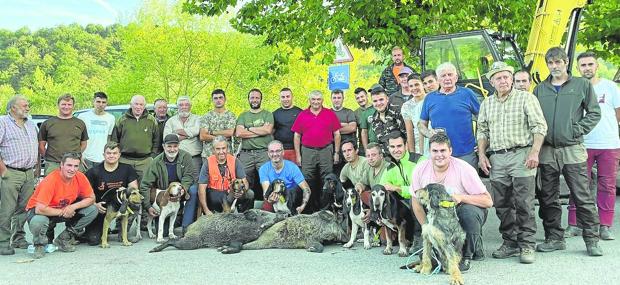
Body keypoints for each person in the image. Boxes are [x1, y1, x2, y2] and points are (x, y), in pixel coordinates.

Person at [533, 47, 602, 256]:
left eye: (558, 62)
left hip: (573, 148)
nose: (555, 66)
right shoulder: (539, 89)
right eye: (551, 63)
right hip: (546, 150)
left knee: (582, 194)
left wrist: (576, 129)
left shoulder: (581, 85)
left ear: (566, 62)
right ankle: (554, 238)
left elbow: (594, 113)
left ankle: (591, 240)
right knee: (548, 196)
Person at [477, 62, 548, 264]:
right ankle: (510, 242)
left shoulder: (526, 98)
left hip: (521, 155)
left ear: (512, 78)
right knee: (501, 203)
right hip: (497, 157)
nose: (504, 80)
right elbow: (482, 131)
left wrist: (534, 152)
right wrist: (482, 155)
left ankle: (526, 244)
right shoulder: (487, 103)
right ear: (492, 82)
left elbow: (539, 126)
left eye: (507, 76)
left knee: (524, 202)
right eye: (498, 77)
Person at [411, 133, 493, 271]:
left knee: (469, 212)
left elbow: (488, 201)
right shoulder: (420, 169)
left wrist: (462, 197)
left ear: (450, 151)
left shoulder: (464, 168)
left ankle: (466, 255)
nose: (439, 155)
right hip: (435, 216)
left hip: (460, 214)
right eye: (435, 151)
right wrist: (427, 227)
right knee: (414, 199)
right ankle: (437, 250)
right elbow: (415, 201)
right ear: (429, 152)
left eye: (443, 150)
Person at [565, 51, 620, 241]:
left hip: (609, 143)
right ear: (578, 68)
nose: (587, 68)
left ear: (596, 66)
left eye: (590, 64)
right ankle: (574, 224)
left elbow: (618, 114)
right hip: (582, 144)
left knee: (607, 186)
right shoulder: (574, 87)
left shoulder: (611, 87)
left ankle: (604, 225)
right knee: (578, 185)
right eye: (583, 65)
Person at [26, 152, 97, 259]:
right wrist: (63, 212)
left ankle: (64, 239)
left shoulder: (80, 177)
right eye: (69, 165)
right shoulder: (51, 180)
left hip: (62, 209)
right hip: (41, 211)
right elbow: (39, 209)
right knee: (38, 221)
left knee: (92, 210)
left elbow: (92, 198)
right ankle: (39, 244)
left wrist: (72, 207)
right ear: (61, 165)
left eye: (76, 166)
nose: (72, 169)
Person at [418, 62, 480, 169]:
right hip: (440, 154)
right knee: (443, 185)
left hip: (466, 152)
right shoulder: (430, 98)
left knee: (468, 184)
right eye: (443, 75)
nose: (447, 78)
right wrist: (430, 135)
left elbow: (482, 119)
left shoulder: (467, 93)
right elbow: (421, 125)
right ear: (438, 79)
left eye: (450, 75)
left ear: (456, 77)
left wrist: (480, 142)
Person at [0, 95, 39, 255]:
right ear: (13, 108)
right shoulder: (3, 123)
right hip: (11, 172)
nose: (27, 108)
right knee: (7, 209)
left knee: (24, 208)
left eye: (28, 105)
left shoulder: (30, 124)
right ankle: (3, 242)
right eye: (24, 105)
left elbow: (35, 146)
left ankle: (18, 238)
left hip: (28, 173)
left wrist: (36, 168)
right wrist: (3, 170)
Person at [184, 136, 253, 225]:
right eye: (218, 149)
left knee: (250, 194)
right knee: (221, 196)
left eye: (223, 148)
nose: (221, 152)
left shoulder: (235, 161)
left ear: (227, 149)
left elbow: (245, 182)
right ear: (213, 150)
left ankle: (245, 222)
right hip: (214, 196)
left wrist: (242, 191)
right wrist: (206, 210)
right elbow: (201, 188)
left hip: (230, 194)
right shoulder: (208, 162)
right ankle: (227, 221)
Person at [292, 90, 341, 212]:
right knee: (308, 179)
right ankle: (308, 209)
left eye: (318, 99)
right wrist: (298, 155)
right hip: (308, 151)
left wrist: (336, 153)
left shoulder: (329, 114)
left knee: (327, 179)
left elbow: (337, 134)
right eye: (313, 99)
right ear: (309, 100)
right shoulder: (303, 114)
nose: (316, 102)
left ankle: (326, 208)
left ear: (322, 100)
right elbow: (297, 136)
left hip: (326, 150)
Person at [84, 142, 138, 246]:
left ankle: (121, 230)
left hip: (121, 206)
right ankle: (87, 231)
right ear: (103, 154)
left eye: (114, 153)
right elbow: (84, 193)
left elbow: (134, 189)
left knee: (136, 202)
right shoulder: (93, 171)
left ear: (119, 155)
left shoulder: (127, 169)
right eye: (108, 153)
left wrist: (126, 190)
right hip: (101, 208)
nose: (112, 155)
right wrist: (94, 205)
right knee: (93, 240)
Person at [380, 132, 426, 250]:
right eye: (392, 147)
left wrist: (398, 188)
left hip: (422, 201)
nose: (396, 150)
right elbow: (381, 188)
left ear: (406, 145)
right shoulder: (390, 167)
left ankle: (419, 238)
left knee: (414, 199)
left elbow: (422, 189)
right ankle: (404, 237)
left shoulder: (419, 160)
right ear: (388, 148)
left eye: (399, 146)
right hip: (403, 207)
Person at [141, 134, 195, 232]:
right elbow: (145, 184)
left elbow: (189, 176)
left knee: (194, 190)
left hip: (181, 193)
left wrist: (183, 190)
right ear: (163, 146)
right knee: (163, 232)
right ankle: (175, 217)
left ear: (179, 146)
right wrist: (148, 206)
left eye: (175, 146)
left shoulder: (186, 157)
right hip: (165, 198)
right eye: (169, 146)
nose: (172, 149)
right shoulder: (156, 161)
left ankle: (186, 225)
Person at [235, 88, 274, 199]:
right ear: (248, 99)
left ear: (261, 99)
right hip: (246, 154)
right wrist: (260, 130)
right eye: (252, 97)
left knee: (267, 180)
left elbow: (268, 130)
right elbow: (238, 133)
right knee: (243, 182)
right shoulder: (243, 115)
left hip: (264, 153)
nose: (254, 100)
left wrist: (249, 128)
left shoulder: (267, 114)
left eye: (257, 97)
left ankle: (268, 207)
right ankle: (245, 209)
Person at [111, 95, 159, 183]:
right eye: (136, 104)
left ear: (145, 106)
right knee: (123, 186)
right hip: (125, 160)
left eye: (141, 104)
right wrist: (116, 155)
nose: (138, 107)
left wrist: (153, 156)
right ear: (131, 105)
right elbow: (114, 139)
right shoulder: (122, 120)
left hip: (145, 161)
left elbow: (156, 140)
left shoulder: (151, 120)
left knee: (144, 186)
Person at [38, 94, 88, 175]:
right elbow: (41, 146)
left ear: (73, 106)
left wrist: (76, 155)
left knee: (74, 187)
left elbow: (84, 143)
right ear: (58, 105)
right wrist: (49, 159)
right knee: (52, 187)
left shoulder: (80, 123)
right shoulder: (48, 123)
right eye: (63, 104)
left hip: (74, 165)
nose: (66, 107)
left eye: (69, 104)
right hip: (53, 164)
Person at [259, 140, 311, 214]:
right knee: (265, 210)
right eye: (272, 151)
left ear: (283, 152)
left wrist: (303, 205)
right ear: (268, 154)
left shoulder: (292, 167)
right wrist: (270, 199)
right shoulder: (264, 168)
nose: (275, 154)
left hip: (291, 198)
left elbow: (306, 189)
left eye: (278, 151)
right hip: (274, 197)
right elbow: (266, 191)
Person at [164, 96, 202, 177]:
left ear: (190, 106)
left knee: (195, 183)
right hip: (175, 158)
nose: (184, 107)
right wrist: (189, 135)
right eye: (181, 105)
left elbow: (196, 130)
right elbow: (166, 138)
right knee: (176, 182)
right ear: (177, 107)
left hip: (194, 159)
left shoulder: (198, 119)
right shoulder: (170, 121)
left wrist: (177, 133)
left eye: (186, 105)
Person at [77, 92, 116, 170]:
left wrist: (108, 156)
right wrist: (79, 155)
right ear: (93, 102)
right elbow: (77, 138)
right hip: (85, 158)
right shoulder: (83, 117)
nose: (101, 104)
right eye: (98, 102)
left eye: (103, 102)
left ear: (106, 104)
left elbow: (109, 138)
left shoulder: (111, 118)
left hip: (102, 158)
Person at [199, 89, 237, 158]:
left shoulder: (231, 115)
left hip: (226, 155)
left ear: (225, 99)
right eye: (215, 98)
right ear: (212, 100)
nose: (218, 100)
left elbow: (230, 132)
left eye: (220, 97)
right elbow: (203, 136)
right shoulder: (206, 116)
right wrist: (221, 139)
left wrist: (211, 132)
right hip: (209, 155)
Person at [368, 84, 405, 153]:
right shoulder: (374, 119)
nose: (378, 103)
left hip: (402, 153)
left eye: (381, 99)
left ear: (387, 99)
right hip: (387, 157)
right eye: (375, 101)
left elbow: (407, 135)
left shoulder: (397, 112)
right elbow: (381, 141)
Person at [272, 88, 302, 163]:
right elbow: (271, 133)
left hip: (296, 150)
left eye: (288, 96)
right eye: (283, 97)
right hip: (279, 151)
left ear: (292, 97)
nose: (285, 99)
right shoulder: (275, 114)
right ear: (280, 98)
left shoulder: (300, 112)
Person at [331, 89, 357, 174]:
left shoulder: (349, 112)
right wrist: (344, 124)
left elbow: (352, 128)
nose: (336, 100)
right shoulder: (328, 113)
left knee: (350, 173)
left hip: (348, 148)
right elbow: (324, 130)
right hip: (333, 149)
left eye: (339, 97)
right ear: (331, 99)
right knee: (336, 173)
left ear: (343, 99)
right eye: (334, 98)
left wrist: (334, 129)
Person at [401, 74, 428, 155]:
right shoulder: (406, 106)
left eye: (416, 84)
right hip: (418, 147)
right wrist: (412, 153)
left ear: (423, 84)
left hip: (434, 143)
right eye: (411, 86)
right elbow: (409, 131)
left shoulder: (431, 99)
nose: (414, 88)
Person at [353, 87, 376, 155]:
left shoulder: (376, 108)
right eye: (357, 98)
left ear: (367, 95)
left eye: (362, 96)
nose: (360, 99)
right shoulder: (355, 113)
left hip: (377, 145)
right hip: (363, 148)